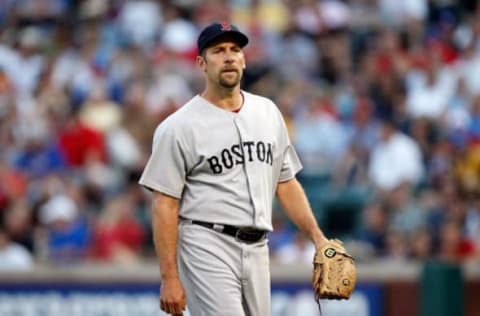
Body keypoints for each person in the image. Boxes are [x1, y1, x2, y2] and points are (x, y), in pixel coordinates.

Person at [139, 21, 328, 316]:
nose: (228, 56)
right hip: (206, 242)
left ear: (244, 59)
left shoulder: (267, 112)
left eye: (235, 49)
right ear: (201, 63)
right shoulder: (178, 127)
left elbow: (286, 183)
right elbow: (164, 203)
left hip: (258, 248)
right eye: (218, 50)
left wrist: (318, 238)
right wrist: (169, 277)